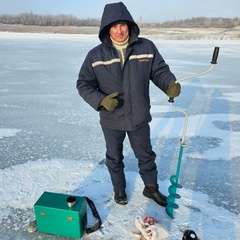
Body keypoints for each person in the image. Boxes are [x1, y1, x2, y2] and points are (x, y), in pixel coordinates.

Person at [76, 2, 180, 206]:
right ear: (106, 29)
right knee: (114, 158)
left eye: (122, 25)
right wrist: (101, 100)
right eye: (113, 27)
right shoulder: (95, 55)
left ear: (130, 25)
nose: (119, 30)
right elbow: (83, 83)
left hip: (139, 116)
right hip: (111, 118)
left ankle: (151, 189)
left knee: (146, 156)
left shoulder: (146, 47)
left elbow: (159, 71)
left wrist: (169, 84)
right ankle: (120, 190)